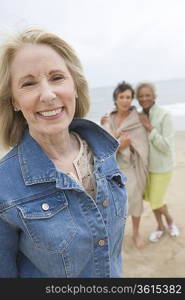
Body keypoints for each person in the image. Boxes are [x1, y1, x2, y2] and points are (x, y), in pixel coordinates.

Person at [0, 28, 128, 278]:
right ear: (14, 101)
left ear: (76, 86)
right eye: (28, 83)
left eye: (57, 77)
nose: (48, 95)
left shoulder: (106, 153)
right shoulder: (4, 186)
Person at [100, 81, 149, 249]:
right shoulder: (108, 119)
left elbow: (142, 145)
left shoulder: (137, 119)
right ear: (115, 99)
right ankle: (117, 235)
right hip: (113, 169)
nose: (125, 100)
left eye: (129, 97)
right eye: (122, 97)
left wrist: (128, 146)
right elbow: (102, 145)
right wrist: (119, 144)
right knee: (114, 206)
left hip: (131, 167)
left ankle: (136, 233)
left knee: (135, 202)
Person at [136, 82, 180, 242]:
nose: (144, 98)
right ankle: (160, 227)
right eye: (140, 96)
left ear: (155, 96)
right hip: (146, 167)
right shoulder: (138, 116)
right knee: (154, 199)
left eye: (147, 95)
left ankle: (170, 222)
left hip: (162, 168)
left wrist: (150, 129)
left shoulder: (165, 115)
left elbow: (167, 146)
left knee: (156, 200)